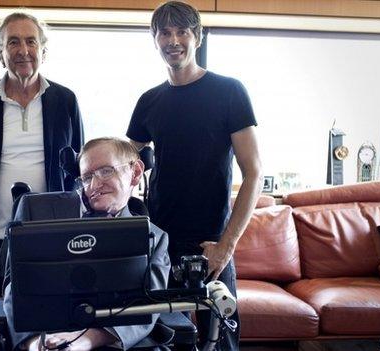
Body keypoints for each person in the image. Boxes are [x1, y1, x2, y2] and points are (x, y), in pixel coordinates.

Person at [126, 2, 263, 350]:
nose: (173, 41)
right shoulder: (149, 101)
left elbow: (254, 174)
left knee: (223, 339)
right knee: (166, 336)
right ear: (154, 40)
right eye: (165, 33)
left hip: (212, 243)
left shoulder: (229, 91)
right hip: (161, 240)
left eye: (182, 31)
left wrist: (225, 247)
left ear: (197, 36)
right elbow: (126, 161)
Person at [0, 12, 84, 350]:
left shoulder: (65, 101)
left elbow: (77, 168)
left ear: (43, 49)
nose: (23, 50)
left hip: (47, 242)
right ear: (1, 52)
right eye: (13, 42)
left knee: (43, 334)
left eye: (30, 41)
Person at [3, 137, 170, 351]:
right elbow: (14, 288)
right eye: (87, 176)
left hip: (108, 342)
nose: (94, 185)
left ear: (136, 172)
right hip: (44, 338)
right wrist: (33, 342)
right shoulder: (37, 210)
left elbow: (149, 306)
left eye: (106, 171)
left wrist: (84, 341)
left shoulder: (156, 237)